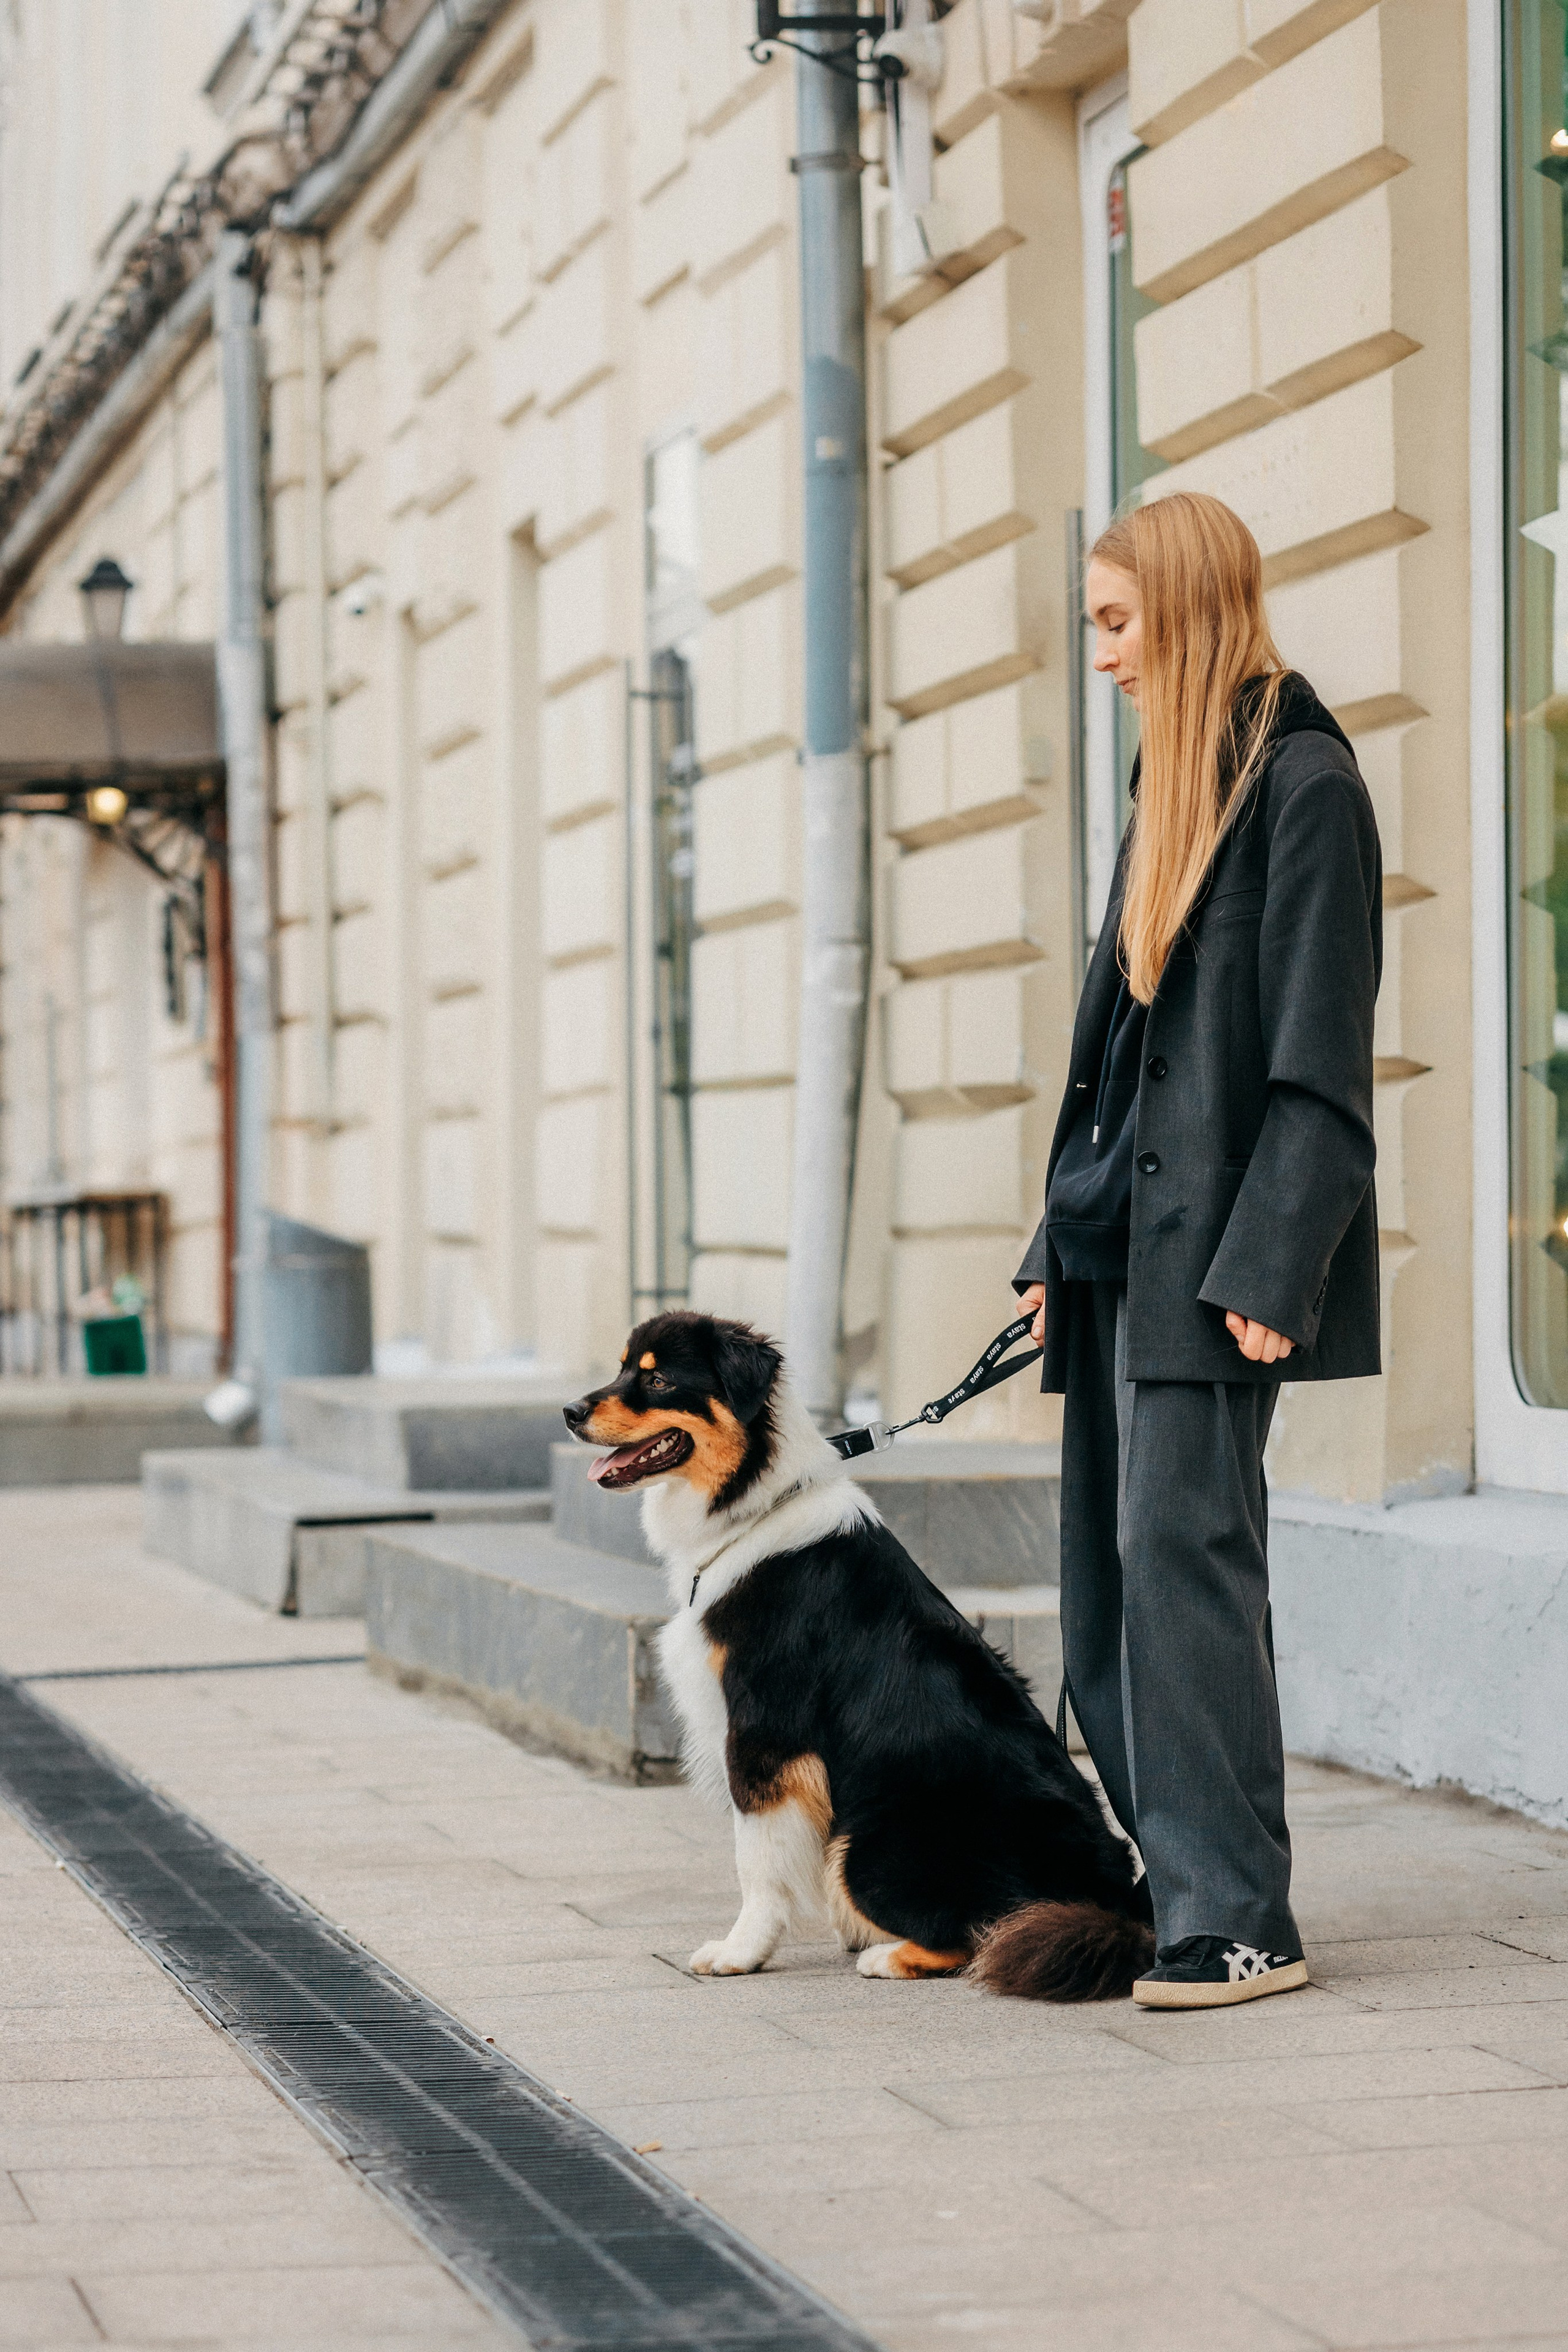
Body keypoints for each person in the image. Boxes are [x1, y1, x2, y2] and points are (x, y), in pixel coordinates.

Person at [1014, 490, 1382, 2010]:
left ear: (1183, 607)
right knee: (1104, 1591)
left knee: (1184, 1574)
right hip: (1119, 1253)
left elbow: (1320, 1067)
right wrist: (1052, 1249)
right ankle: (1178, 1883)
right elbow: (1111, 1059)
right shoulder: (1168, 787)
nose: (1101, 653)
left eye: (1115, 622)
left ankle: (1238, 1918)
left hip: (1218, 1269)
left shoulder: (1305, 789)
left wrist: (1272, 1268)